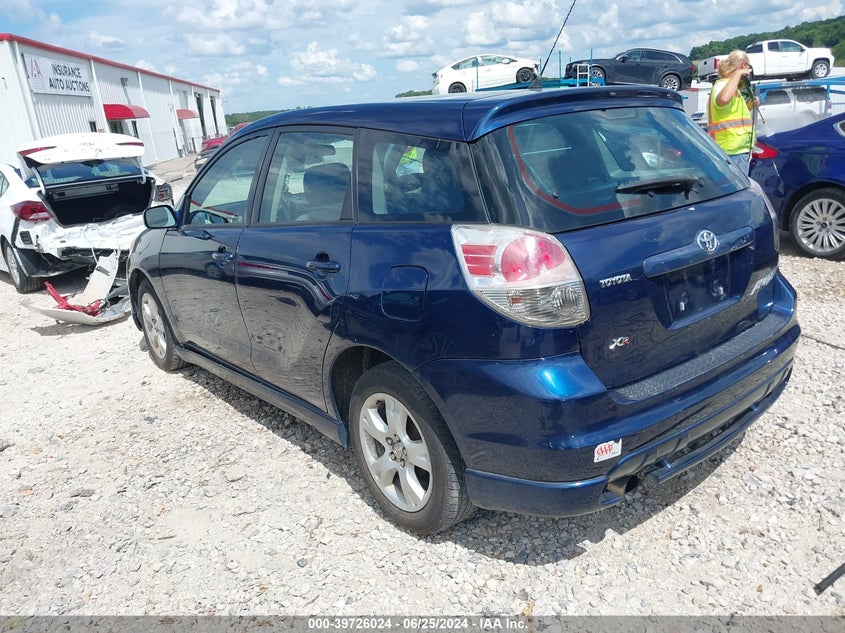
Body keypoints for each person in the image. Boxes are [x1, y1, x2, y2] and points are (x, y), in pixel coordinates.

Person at [707, 50, 759, 172]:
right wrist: (738, 74)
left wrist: (751, 104)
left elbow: (731, 113)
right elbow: (723, 99)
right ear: (743, 65)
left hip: (735, 150)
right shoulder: (723, 85)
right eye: (748, 67)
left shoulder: (732, 88)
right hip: (731, 151)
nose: (748, 73)